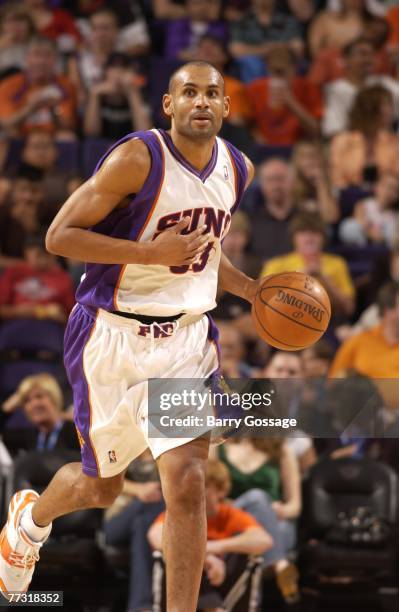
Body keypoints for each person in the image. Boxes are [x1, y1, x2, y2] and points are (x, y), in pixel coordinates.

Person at [0, 61, 261, 612]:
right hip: (111, 336)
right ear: (168, 104)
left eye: (212, 93)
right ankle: (29, 522)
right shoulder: (136, 158)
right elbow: (58, 236)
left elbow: (206, 256)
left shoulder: (238, 169)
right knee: (103, 489)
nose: (201, 102)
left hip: (186, 342)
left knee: (188, 481)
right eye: (189, 92)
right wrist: (148, 254)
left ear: (226, 107)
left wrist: (254, 291)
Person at [148, 459, 272, 611]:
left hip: (223, 581)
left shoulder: (229, 514)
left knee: (251, 556)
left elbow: (264, 540)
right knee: (165, 555)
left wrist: (211, 548)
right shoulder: (179, 515)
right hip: (188, 585)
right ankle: (212, 607)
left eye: (203, 486)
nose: (194, 491)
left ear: (221, 490)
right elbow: (155, 536)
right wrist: (204, 558)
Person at [261, 212, 355, 318]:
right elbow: (262, 303)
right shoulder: (276, 264)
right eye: (303, 232)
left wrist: (326, 282)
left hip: (328, 321)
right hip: (285, 321)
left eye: (314, 233)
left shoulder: (337, 263)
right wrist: (297, 279)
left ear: (323, 237)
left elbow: (349, 308)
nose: (309, 238)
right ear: (293, 237)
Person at [0, 35, 77, 138]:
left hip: (51, 139)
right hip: (21, 138)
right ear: (27, 58)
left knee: (67, 137)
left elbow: (68, 126)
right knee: (8, 134)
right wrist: (31, 107)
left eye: (47, 55)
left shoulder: (66, 85)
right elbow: (5, 124)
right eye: (36, 55)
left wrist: (54, 110)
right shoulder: (9, 85)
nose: (41, 61)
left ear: (56, 60)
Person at [322, 37, 399, 137]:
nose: (367, 59)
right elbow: (333, 130)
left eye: (371, 55)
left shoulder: (384, 83)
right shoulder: (335, 90)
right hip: (352, 144)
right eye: (362, 54)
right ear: (345, 59)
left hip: (388, 142)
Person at [246, 44, 322, 146]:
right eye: (274, 71)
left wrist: (291, 102)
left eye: (282, 72)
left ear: (294, 68)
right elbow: (247, 126)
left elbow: (316, 130)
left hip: (297, 148)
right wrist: (257, 137)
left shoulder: (308, 88)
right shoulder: (255, 88)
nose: (278, 77)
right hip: (265, 148)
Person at [329, 85, 399, 189]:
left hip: (387, 200)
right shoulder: (343, 141)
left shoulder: (394, 142)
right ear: (371, 109)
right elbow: (336, 179)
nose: (391, 111)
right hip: (349, 197)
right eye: (387, 104)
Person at [0, 235, 75, 324]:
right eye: (39, 254)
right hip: (15, 324)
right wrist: (39, 311)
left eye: (47, 254)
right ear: (26, 252)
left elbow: (70, 316)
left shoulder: (63, 278)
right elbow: (2, 310)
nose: (43, 259)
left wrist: (61, 317)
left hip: (49, 327)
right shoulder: (14, 272)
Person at [1, 373, 79, 457]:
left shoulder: (75, 431)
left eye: (39, 397)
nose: (34, 404)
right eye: (27, 400)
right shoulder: (28, 437)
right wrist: (7, 407)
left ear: (54, 398)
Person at [83, 52, 151, 140]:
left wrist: (133, 93)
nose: (118, 72)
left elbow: (145, 134)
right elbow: (91, 133)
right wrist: (94, 95)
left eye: (124, 68)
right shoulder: (97, 94)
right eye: (113, 67)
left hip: (130, 148)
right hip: (102, 149)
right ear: (105, 72)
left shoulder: (139, 94)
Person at [248, 157, 297, 261]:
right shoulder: (251, 221)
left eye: (280, 179)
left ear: (292, 181)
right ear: (261, 184)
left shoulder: (305, 217)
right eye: (270, 180)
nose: (276, 185)